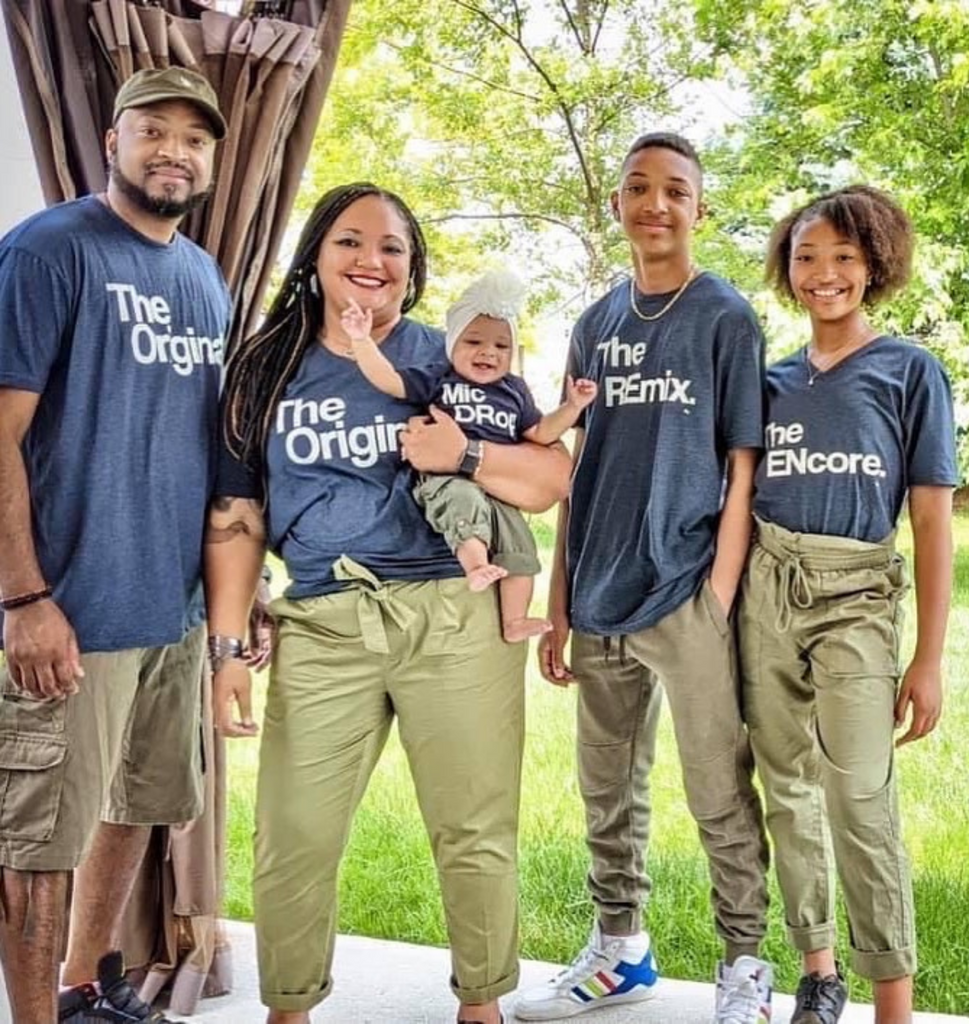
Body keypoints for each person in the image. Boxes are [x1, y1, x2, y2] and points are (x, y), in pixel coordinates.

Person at [204, 182, 571, 1024]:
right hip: (326, 622)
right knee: (294, 836)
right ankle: (288, 1008)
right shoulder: (263, 367)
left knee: (474, 831)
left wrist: (466, 451)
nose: (371, 261)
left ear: (413, 270)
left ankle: (482, 1006)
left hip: (451, 613)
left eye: (393, 248)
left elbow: (550, 478)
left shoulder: (446, 360)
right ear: (315, 258)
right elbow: (236, 520)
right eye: (349, 242)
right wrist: (227, 650)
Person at [513, 132, 772, 1024]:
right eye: (638, 188)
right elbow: (580, 465)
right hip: (598, 595)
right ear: (618, 204)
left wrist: (718, 594)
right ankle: (620, 950)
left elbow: (743, 463)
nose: (654, 204)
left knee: (715, 787)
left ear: (700, 208)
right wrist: (559, 604)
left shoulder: (724, 317)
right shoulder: (596, 324)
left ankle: (745, 963)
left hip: (688, 591)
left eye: (674, 191)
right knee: (606, 783)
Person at [0, 67, 231, 1024]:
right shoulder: (50, 251)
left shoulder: (203, 274)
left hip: (172, 613)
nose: (175, 150)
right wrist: (24, 598)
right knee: (38, 847)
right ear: (112, 139)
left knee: (140, 804)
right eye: (155, 130)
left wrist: (225, 600)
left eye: (195, 137)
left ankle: (86, 990)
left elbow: (207, 447)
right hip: (72, 611)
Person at [738, 185, 956, 1024]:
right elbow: (739, 494)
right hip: (767, 589)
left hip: (857, 594)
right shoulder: (771, 379)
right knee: (785, 787)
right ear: (787, 271)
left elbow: (933, 518)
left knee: (860, 794)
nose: (823, 273)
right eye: (806, 257)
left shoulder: (908, 371)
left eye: (843, 258)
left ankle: (890, 999)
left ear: (875, 266)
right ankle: (819, 971)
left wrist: (927, 658)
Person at [341, 267, 597, 641]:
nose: (487, 353)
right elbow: (391, 381)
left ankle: (513, 621)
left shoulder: (514, 391)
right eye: (474, 341)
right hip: (446, 480)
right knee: (462, 502)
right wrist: (362, 342)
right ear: (453, 344)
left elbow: (541, 433)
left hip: (497, 487)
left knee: (521, 547)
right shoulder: (440, 378)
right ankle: (475, 564)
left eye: (500, 346)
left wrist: (573, 407)